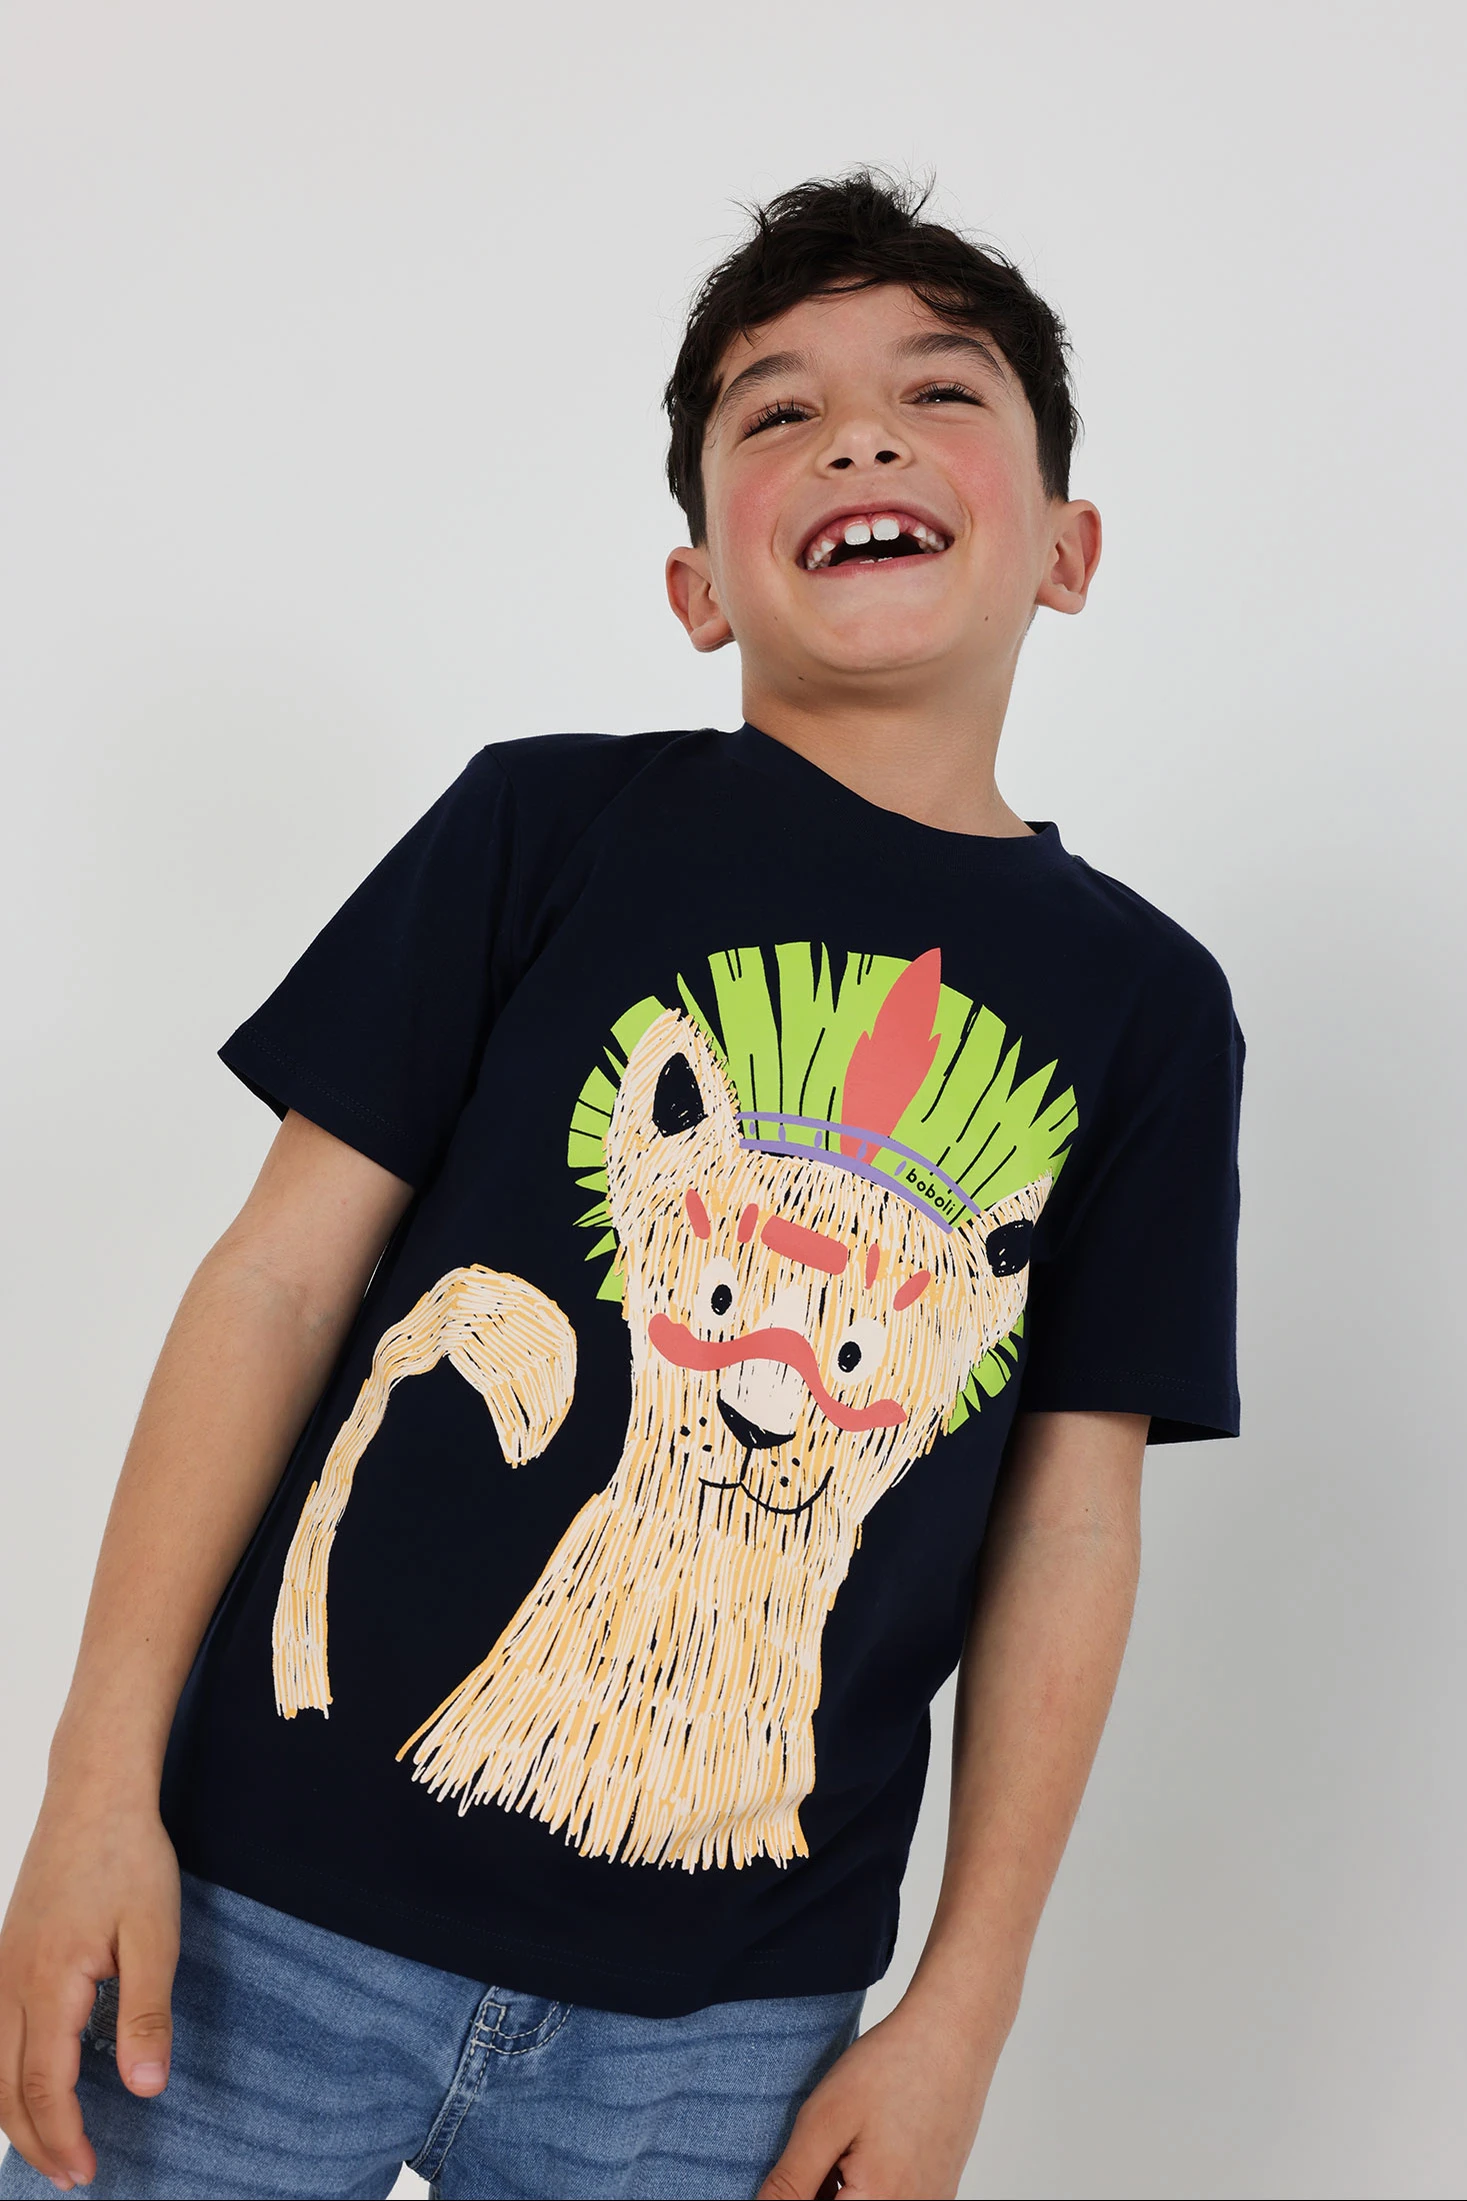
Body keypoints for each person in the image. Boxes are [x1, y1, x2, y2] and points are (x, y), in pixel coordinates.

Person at [0, 171, 1243, 2201]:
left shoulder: (1148, 1007)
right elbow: (274, 1287)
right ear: (696, 586)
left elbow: (1069, 1515)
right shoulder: (537, 825)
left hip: (725, 2021)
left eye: (938, 393)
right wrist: (90, 1781)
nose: (856, 436)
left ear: (1065, 548)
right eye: (779, 410)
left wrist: (961, 2005)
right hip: (259, 1908)